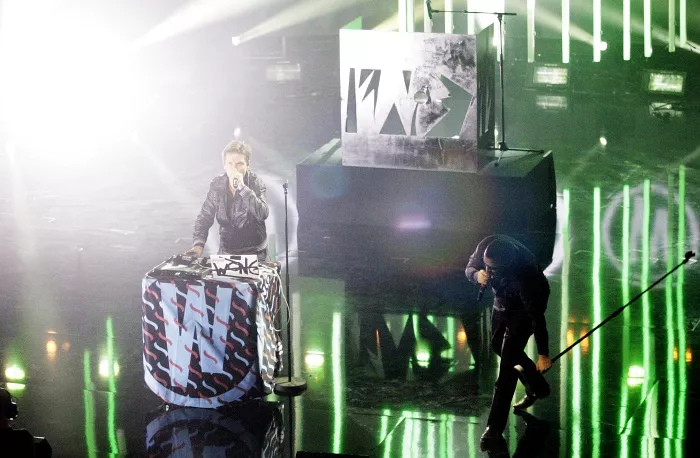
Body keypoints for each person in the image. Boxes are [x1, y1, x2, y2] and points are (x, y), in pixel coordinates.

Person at [464, 235, 552, 449]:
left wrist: (543, 354)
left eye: (492, 269)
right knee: (498, 346)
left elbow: (536, 318)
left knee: (506, 370)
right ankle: (537, 387)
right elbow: (469, 268)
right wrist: (476, 275)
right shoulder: (486, 245)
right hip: (501, 301)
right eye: (486, 266)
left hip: (524, 310)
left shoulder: (526, 277)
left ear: (506, 267)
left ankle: (494, 428)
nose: (489, 270)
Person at [187, 140, 270, 262]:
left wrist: (243, 188)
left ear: (248, 164)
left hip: (255, 254)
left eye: (239, 164)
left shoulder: (255, 183)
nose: (234, 169)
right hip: (226, 251)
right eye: (230, 163)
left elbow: (262, 213)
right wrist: (198, 245)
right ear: (224, 164)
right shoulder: (217, 185)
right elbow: (205, 217)